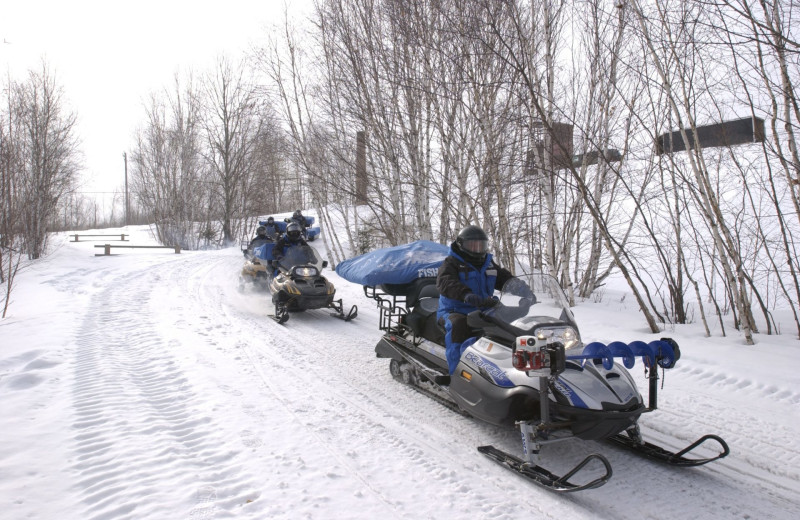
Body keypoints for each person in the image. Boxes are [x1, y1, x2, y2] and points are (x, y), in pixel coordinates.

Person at [436, 225, 514, 374]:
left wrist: (520, 287)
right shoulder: (451, 263)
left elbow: (504, 279)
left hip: (483, 307)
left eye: (480, 245)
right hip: (454, 310)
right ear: (461, 245)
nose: (477, 249)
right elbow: (445, 282)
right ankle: (456, 374)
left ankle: (508, 370)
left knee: (511, 322)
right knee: (458, 325)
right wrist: (465, 294)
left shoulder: (488, 263)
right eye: (472, 245)